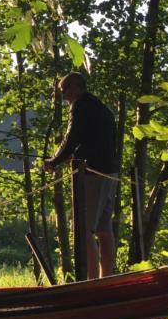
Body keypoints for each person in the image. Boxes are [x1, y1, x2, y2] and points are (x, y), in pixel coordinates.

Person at [44, 72, 117, 278]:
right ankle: (107, 277)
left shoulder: (81, 105)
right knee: (104, 228)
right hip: (111, 171)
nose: (63, 96)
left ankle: (91, 280)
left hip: (93, 173)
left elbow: (72, 136)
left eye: (64, 90)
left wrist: (55, 161)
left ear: (76, 87)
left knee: (84, 230)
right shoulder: (102, 108)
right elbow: (95, 140)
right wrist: (73, 155)